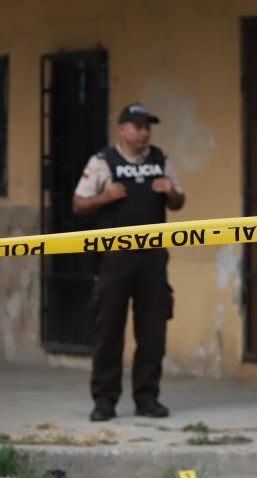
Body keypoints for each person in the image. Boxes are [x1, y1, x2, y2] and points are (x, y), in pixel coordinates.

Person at [73, 103, 185, 422]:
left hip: (153, 258)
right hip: (115, 258)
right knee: (109, 329)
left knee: (153, 331)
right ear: (122, 130)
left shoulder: (160, 160)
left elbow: (179, 201)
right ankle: (105, 399)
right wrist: (104, 198)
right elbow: (78, 204)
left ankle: (147, 397)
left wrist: (171, 192)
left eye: (147, 126)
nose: (144, 132)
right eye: (138, 126)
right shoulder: (102, 162)